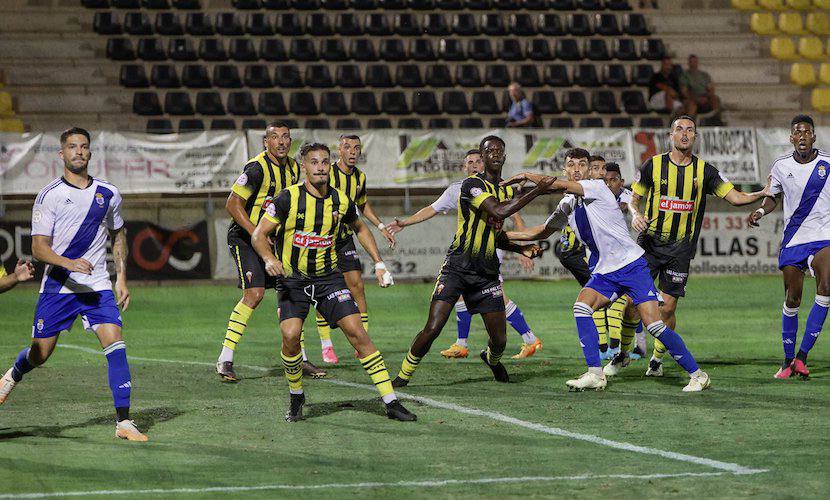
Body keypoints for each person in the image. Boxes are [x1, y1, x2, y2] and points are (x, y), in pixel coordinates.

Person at [504, 167, 711, 392]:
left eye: (582, 164)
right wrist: (503, 237)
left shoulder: (596, 187)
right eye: (571, 164)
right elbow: (542, 232)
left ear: (588, 170)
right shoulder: (567, 205)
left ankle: (698, 375)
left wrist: (525, 175)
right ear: (565, 167)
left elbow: (556, 185)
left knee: (654, 326)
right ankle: (595, 373)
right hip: (606, 273)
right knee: (581, 308)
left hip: (631, 265)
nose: (576, 169)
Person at [250, 143, 415, 422]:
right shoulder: (287, 199)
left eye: (325, 162)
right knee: (290, 337)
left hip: (329, 279)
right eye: (314, 162)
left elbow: (360, 227)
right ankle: (296, 395)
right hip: (293, 280)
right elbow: (258, 235)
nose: (320, 167)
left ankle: (390, 401)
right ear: (304, 167)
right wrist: (268, 258)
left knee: (358, 334)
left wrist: (378, 262)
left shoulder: (340, 200)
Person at [0, 127, 147, 440]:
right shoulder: (49, 195)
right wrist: (69, 263)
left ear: (90, 153)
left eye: (83, 146)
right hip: (59, 286)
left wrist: (121, 277)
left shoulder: (109, 193)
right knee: (40, 354)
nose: (78, 151)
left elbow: (118, 232)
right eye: (71, 147)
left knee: (116, 343)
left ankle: (124, 421)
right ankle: (13, 374)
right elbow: (39, 247)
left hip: (97, 285)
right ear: (61, 154)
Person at [391, 136, 550, 388]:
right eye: (490, 151)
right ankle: (403, 374)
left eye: (500, 150)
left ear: (504, 157)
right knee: (433, 327)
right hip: (456, 269)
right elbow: (499, 211)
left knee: (499, 340)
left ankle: (491, 359)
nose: (495, 154)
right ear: (483, 158)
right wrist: (537, 191)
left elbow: (495, 235)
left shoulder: (507, 189)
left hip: (486, 274)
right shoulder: (471, 185)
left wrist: (520, 249)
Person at [626, 115, 773, 377]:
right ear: (670, 136)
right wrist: (635, 214)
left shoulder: (705, 171)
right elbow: (633, 199)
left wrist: (761, 193)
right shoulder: (653, 166)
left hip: (680, 250)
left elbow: (735, 197)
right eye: (679, 129)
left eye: (689, 130)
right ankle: (622, 351)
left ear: (695, 137)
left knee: (667, 308)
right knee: (632, 304)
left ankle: (657, 359)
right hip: (648, 245)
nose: (684, 134)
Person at [217, 121, 326, 382]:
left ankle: (301, 358)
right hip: (245, 238)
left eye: (286, 137)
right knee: (253, 295)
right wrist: (257, 233)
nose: (281, 141)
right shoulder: (256, 169)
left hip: (273, 240)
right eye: (275, 137)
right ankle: (225, 359)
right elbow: (232, 204)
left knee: (292, 293)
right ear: (266, 142)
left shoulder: (291, 169)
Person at [748, 114, 830, 379]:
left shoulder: (827, 164)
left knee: (826, 287)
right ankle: (787, 361)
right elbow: (772, 198)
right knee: (792, 299)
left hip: (823, 236)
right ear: (792, 138)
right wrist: (760, 211)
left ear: (814, 137)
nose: (803, 136)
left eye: (807, 132)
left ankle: (802, 357)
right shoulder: (781, 166)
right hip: (793, 239)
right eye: (798, 132)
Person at [315, 134, 396, 365]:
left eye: (357, 148)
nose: (352, 151)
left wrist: (380, 226)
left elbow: (362, 204)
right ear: (338, 150)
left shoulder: (359, 177)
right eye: (347, 147)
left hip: (344, 238)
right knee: (324, 290)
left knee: (357, 286)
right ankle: (326, 345)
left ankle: (362, 342)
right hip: (322, 240)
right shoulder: (327, 173)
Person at [680, 55, 720, 119]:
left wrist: (706, 97)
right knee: (691, 105)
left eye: (695, 61)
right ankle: (690, 124)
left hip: (704, 97)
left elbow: (711, 89)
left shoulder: (704, 75)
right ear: (688, 63)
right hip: (692, 98)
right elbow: (684, 91)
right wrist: (696, 99)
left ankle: (717, 120)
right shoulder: (685, 75)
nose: (693, 63)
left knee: (715, 99)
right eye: (691, 62)